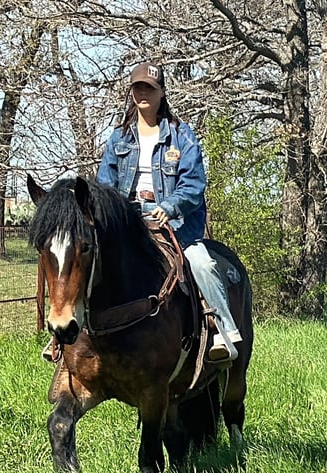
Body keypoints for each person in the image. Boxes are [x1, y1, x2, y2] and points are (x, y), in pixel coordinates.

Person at [96, 61, 242, 362]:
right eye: (137, 88)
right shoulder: (117, 139)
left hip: (174, 224)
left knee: (201, 264)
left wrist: (168, 207)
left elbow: (193, 185)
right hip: (128, 224)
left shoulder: (182, 136)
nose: (142, 93)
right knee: (87, 262)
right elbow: (105, 187)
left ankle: (223, 332)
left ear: (162, 92)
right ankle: (71, 338)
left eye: (149, 88)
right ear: (131, 93)